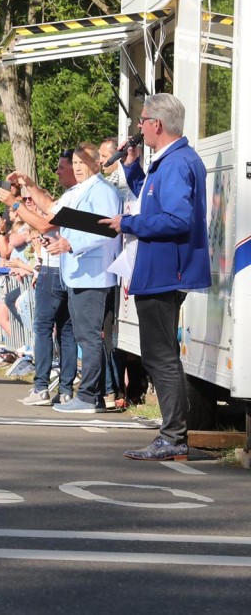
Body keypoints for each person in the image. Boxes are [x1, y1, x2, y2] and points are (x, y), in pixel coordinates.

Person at [100, 93, 210, 461]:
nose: (139, 126)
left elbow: (177, 219)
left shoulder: (177, 163)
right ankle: (173, 435)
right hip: (160, 269)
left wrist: (126, 222)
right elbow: (154, 201)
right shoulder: (170, 161)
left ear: (157, 125)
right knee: (160, 355)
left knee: (160, 356)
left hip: (165, 271)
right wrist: (132, 168)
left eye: (142, 120)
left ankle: (173, 437)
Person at [42, 142, 122, 414]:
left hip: (93, 276)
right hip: (77, 274)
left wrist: (71, 245)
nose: (77, 168)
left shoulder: (102, 191)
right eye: (74, 163)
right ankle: (94, 395)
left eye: (82, 162)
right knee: (84, 337)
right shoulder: (79, 191)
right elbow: (75, 227)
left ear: (96, 164)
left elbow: (106, 231)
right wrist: (59, 241)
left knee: (89, 338)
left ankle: (88, 396)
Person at [0, 149, 78, 407]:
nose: (57, 171)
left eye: (62, 166)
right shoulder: (71, 196)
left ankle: (42, 387)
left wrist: (14, 203)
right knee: (65, 331)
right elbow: (44, 205)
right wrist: (27, 185)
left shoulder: (70, 197)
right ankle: (65, 390)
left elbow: (45, 222)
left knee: (43, 328)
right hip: (63, 268)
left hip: (57, 270)